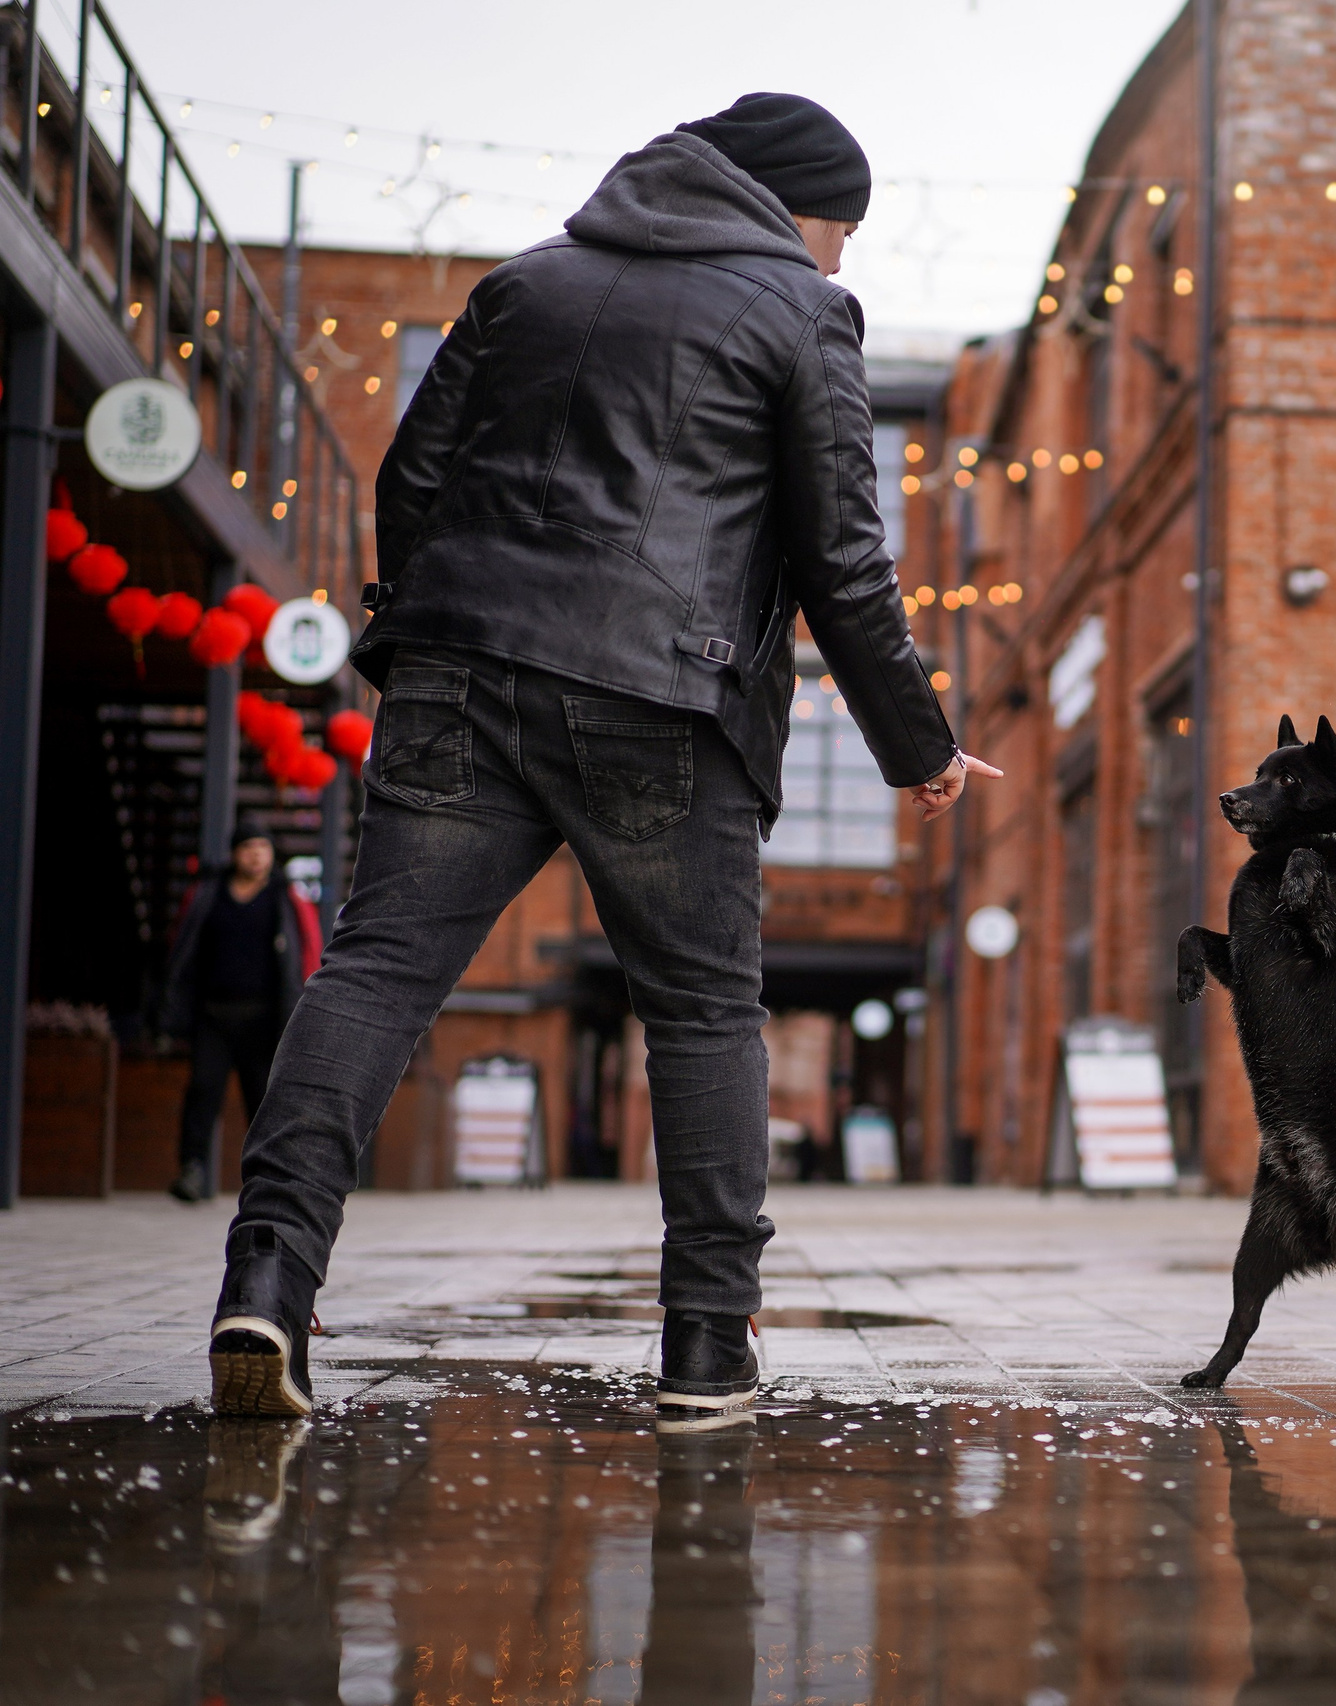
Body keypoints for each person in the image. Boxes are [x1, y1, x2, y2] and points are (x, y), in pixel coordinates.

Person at [207, 92, 999, 1422]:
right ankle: (705, 1348)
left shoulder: (527, 281)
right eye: (840, 228)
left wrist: (452, 627)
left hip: (458, 677)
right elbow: (843, 560)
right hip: (664, 701)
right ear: (786, 202)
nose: (843, 260)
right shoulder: (804, 313)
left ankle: (268, 1282)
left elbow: (410, 483)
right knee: (699, 1011)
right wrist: (917, 746)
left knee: (377, 975)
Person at [161, 824, 321, 1205]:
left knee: (263, 1100)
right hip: (212, 1016)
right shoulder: (206, 894)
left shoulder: (286, 899)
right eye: (248, 848)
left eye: (263, 848)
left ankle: (266, 1179)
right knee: (202, 1091)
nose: (256, 855)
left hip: (264, 1020)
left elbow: (309, 952)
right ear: (235, 853)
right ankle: (192, 1170)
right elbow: (180, 948)